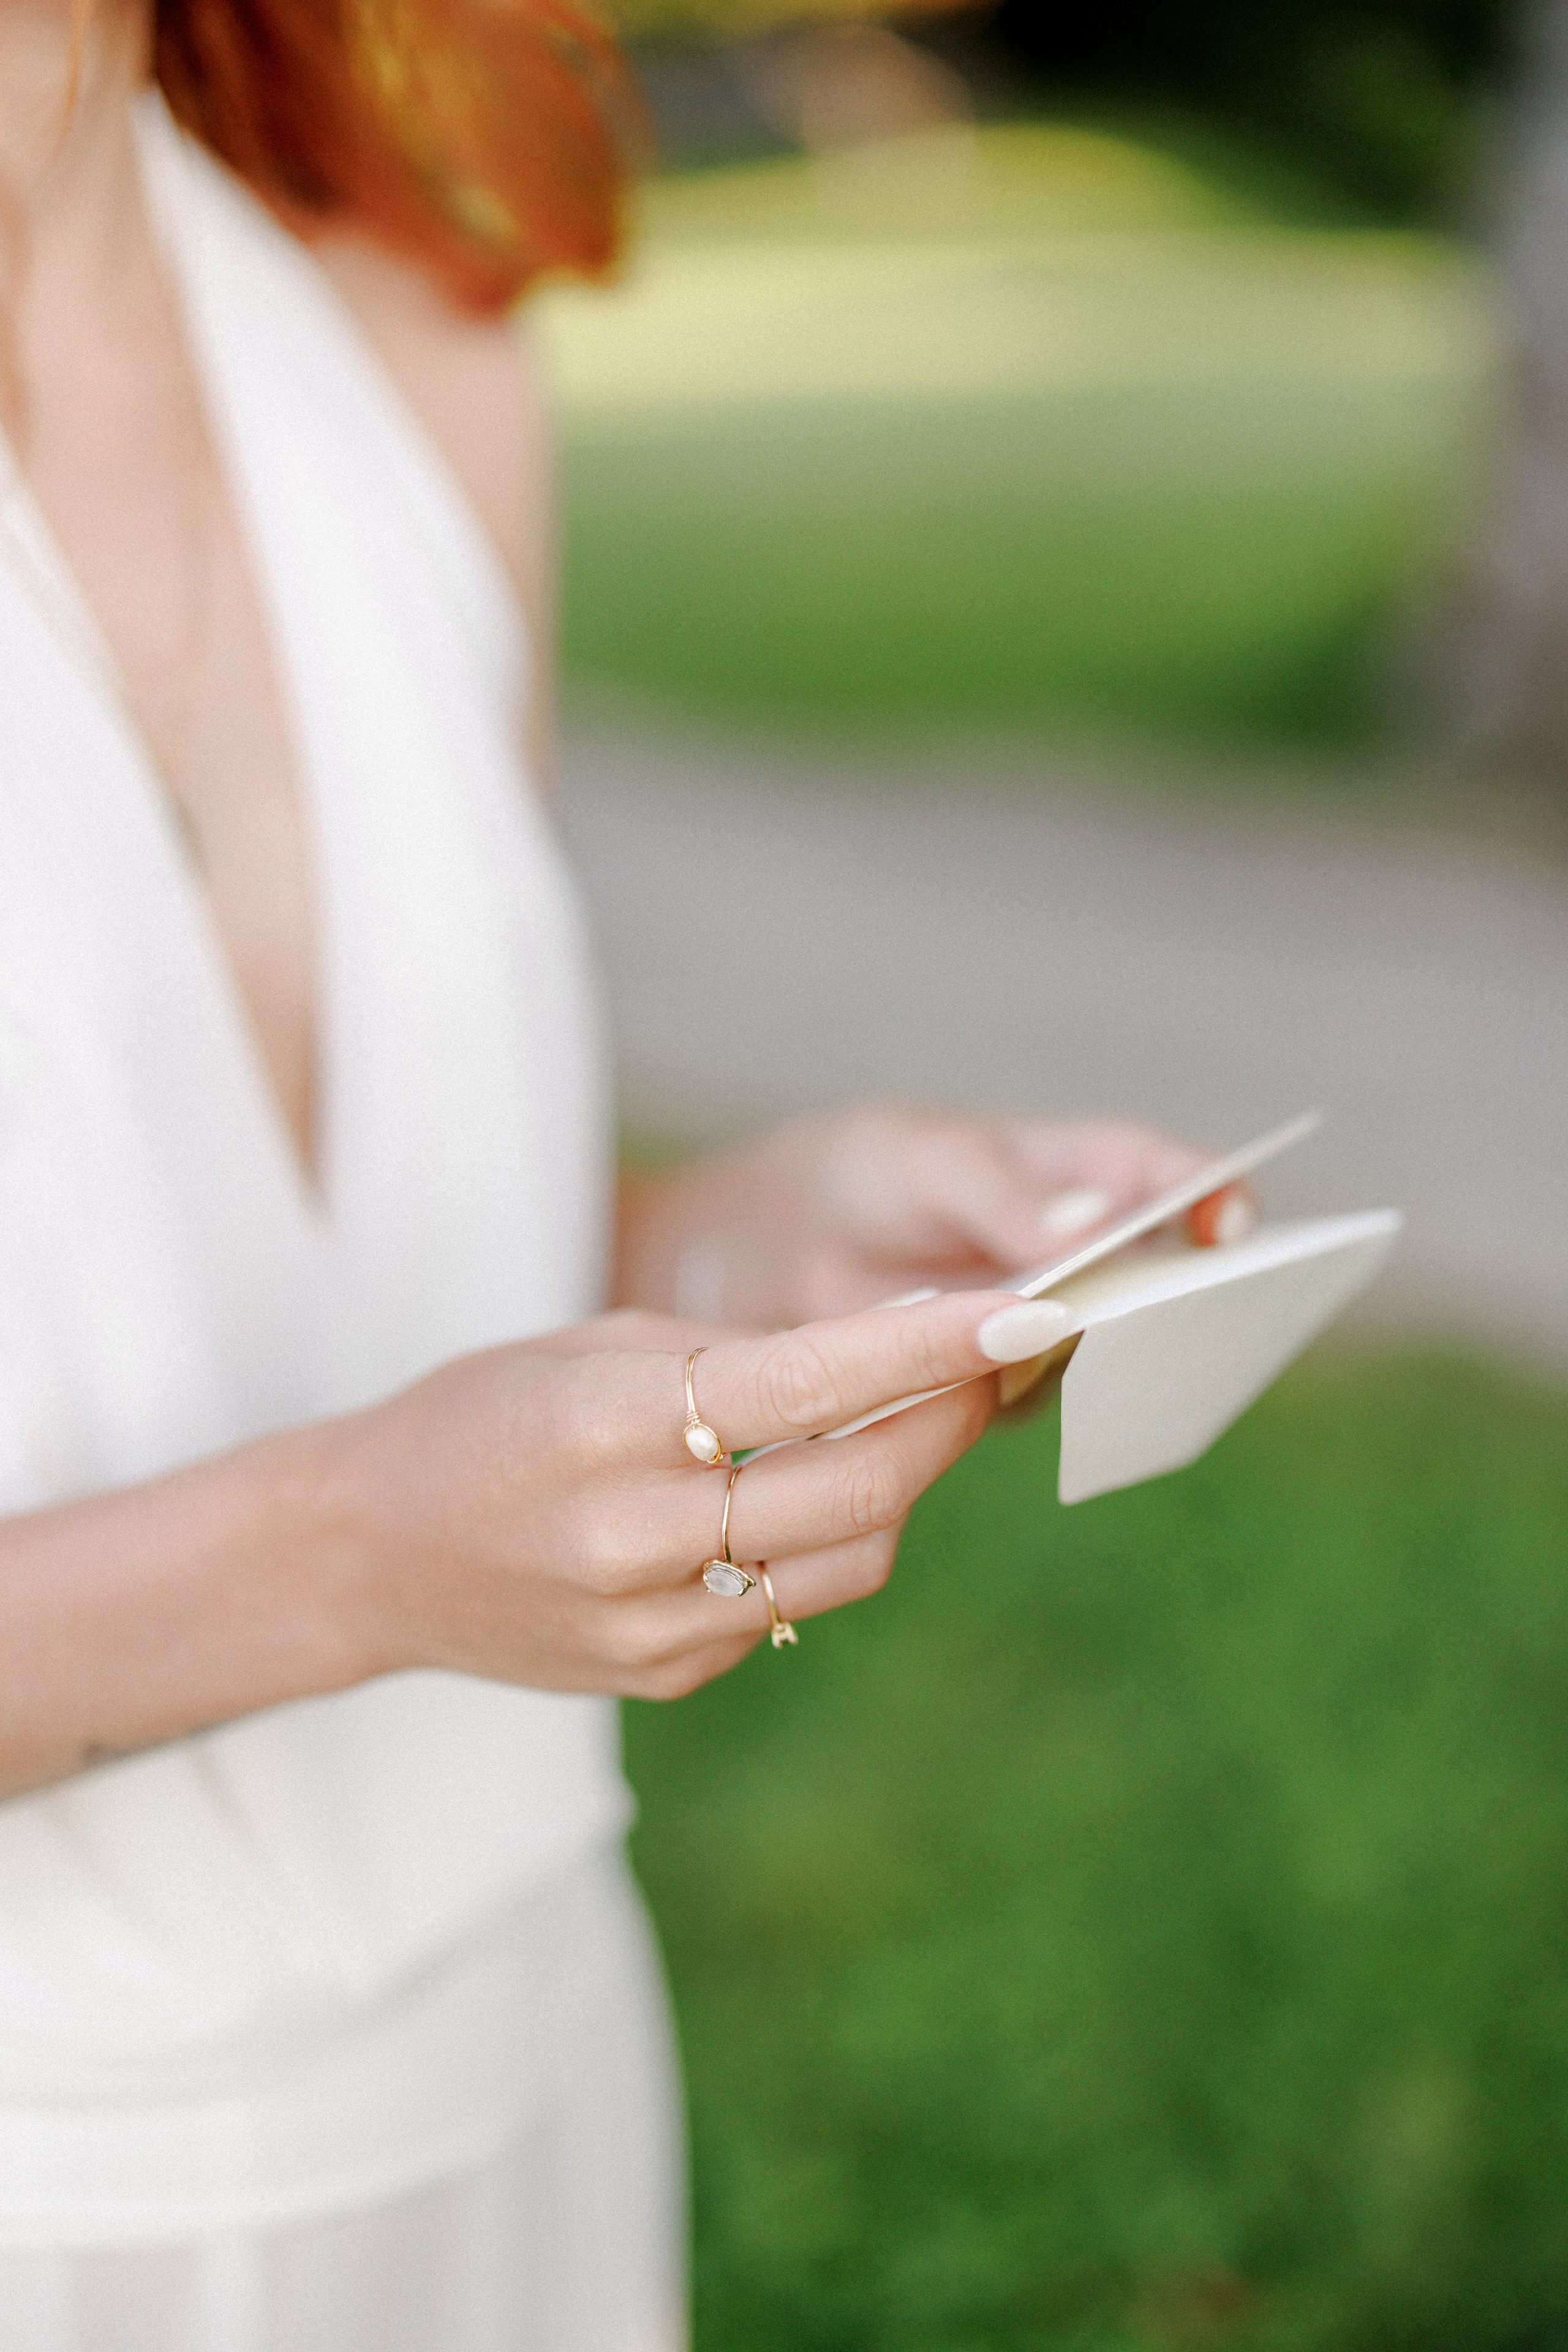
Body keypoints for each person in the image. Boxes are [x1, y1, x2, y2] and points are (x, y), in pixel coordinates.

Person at [0, 1, 1244, 2343]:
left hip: (523, 2101)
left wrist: (749, 1242)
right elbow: (363, 1473)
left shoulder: (406, 336)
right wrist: (361, 1551)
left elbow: (306, 1266)